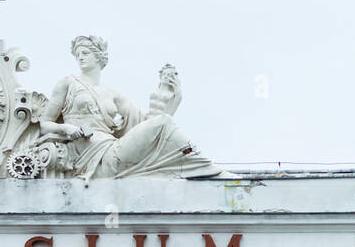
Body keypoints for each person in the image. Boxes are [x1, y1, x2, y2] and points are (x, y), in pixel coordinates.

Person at [38, 35, 227, 179]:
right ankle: (211, 172)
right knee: (164, 122)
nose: (80, 57)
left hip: (113, 150)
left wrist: (174, 99)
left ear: (99, 57)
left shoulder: (113, 94)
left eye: (85, 53)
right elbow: (44, 124)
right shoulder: (68, 83)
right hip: (93, 160)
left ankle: (205, 169)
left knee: (164, 122)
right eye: (77, 54)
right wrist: (66, 128)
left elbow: (148, 125)